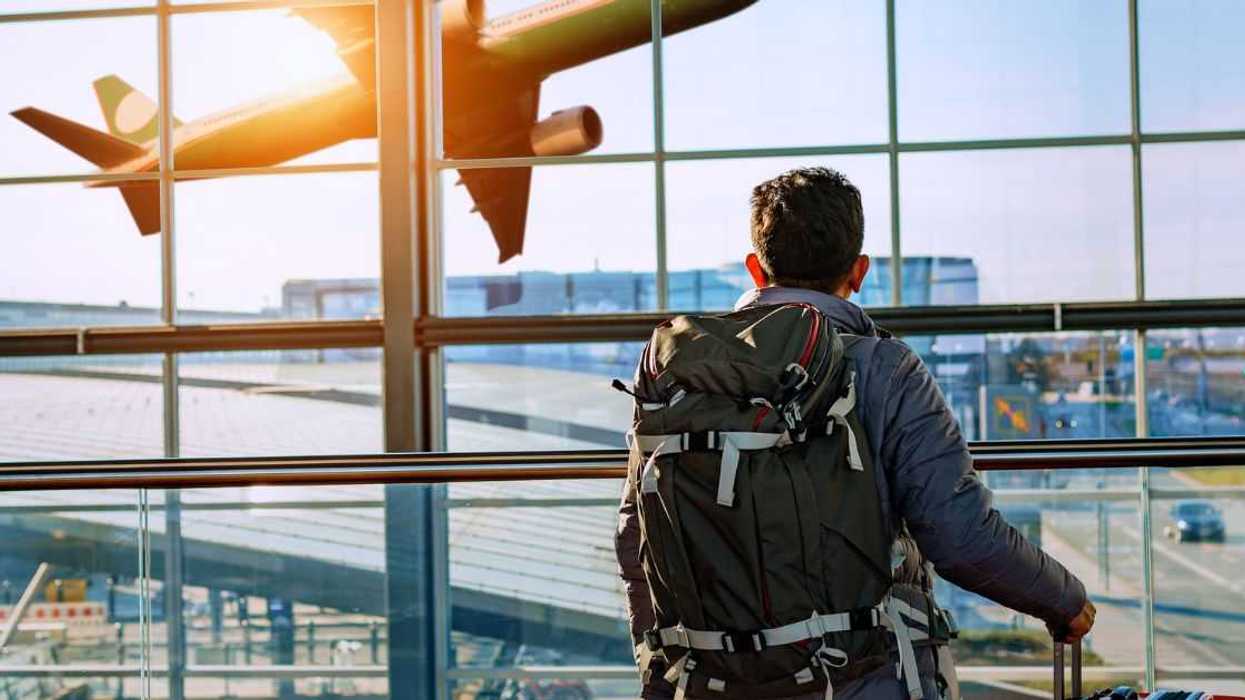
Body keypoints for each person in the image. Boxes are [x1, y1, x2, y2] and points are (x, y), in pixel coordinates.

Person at [615, 166, 1095, 699]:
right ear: (859, 270)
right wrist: (1063, 599)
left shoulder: (675, 365)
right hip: (855, 680)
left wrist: (660, 668)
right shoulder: (884, 367)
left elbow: (635, 539)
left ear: (756, 269)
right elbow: (959, 534)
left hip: (704, 683)